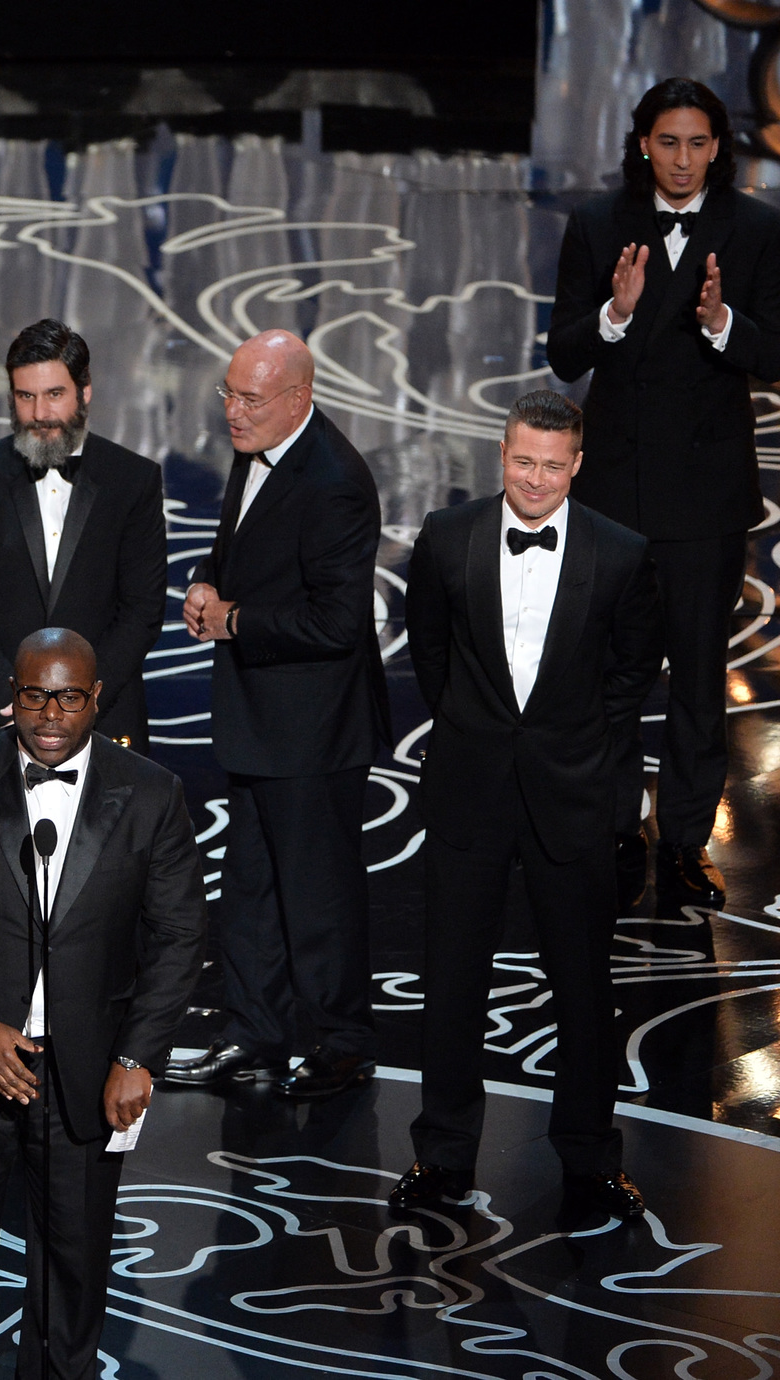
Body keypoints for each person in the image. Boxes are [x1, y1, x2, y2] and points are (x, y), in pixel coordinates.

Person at [0, 628, 206, 1380]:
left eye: (68, 697)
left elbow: (180, 934)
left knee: (71, 1275)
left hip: (86, 1076)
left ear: (96, 698)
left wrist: (137, 1058)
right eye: (34, 696)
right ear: (12, 697)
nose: (50, 715)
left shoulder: (152, 793)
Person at [394, 389, 662, 1227]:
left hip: (571, 797)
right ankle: (441, 1154)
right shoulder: (446, 538)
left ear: (577, 465)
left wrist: (576, 752)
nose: (537, 479)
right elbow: (429, 656)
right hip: (469, 789)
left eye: (554, 465)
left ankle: (588, 1161)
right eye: (523, 461)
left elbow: (630, 676)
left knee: (583, 992)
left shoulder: (621, 554)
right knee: (451, 985)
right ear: (500, 454)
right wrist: (477, 731)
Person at [546, 77, 780, 912]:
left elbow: (777, 349)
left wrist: (723, 325)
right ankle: (615, 831)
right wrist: (614, 313)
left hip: (708, 501)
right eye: (667, 142)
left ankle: (684, 840)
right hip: (614, 496)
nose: (682, 160)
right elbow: (565, 351)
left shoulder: (757, 229)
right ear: (643, 142)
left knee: (697, 682)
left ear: (719, 148)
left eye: (698, 144)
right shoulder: (598, 223)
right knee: (614, 674)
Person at [167, 329, 389, 1101]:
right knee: (253, 887)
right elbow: (241, 545)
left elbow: (336, 625)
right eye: (228, 392)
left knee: (316, 895)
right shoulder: (258, 442)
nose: (232, 410)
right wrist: (205, 579)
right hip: (261, 717)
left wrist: (232, 622)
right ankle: (254, 1035)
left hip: (312, 727)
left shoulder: (335, 481)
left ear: (298, 398)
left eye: (249, 397)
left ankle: (341, 1042)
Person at [0, 319, 166, 749]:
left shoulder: (134, 480)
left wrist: (80, 701)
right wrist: (16, 704)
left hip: (103, 717)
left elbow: (142, 610)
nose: (40, 414)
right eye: (26, 396)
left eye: (54, 395)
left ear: (85, 391)